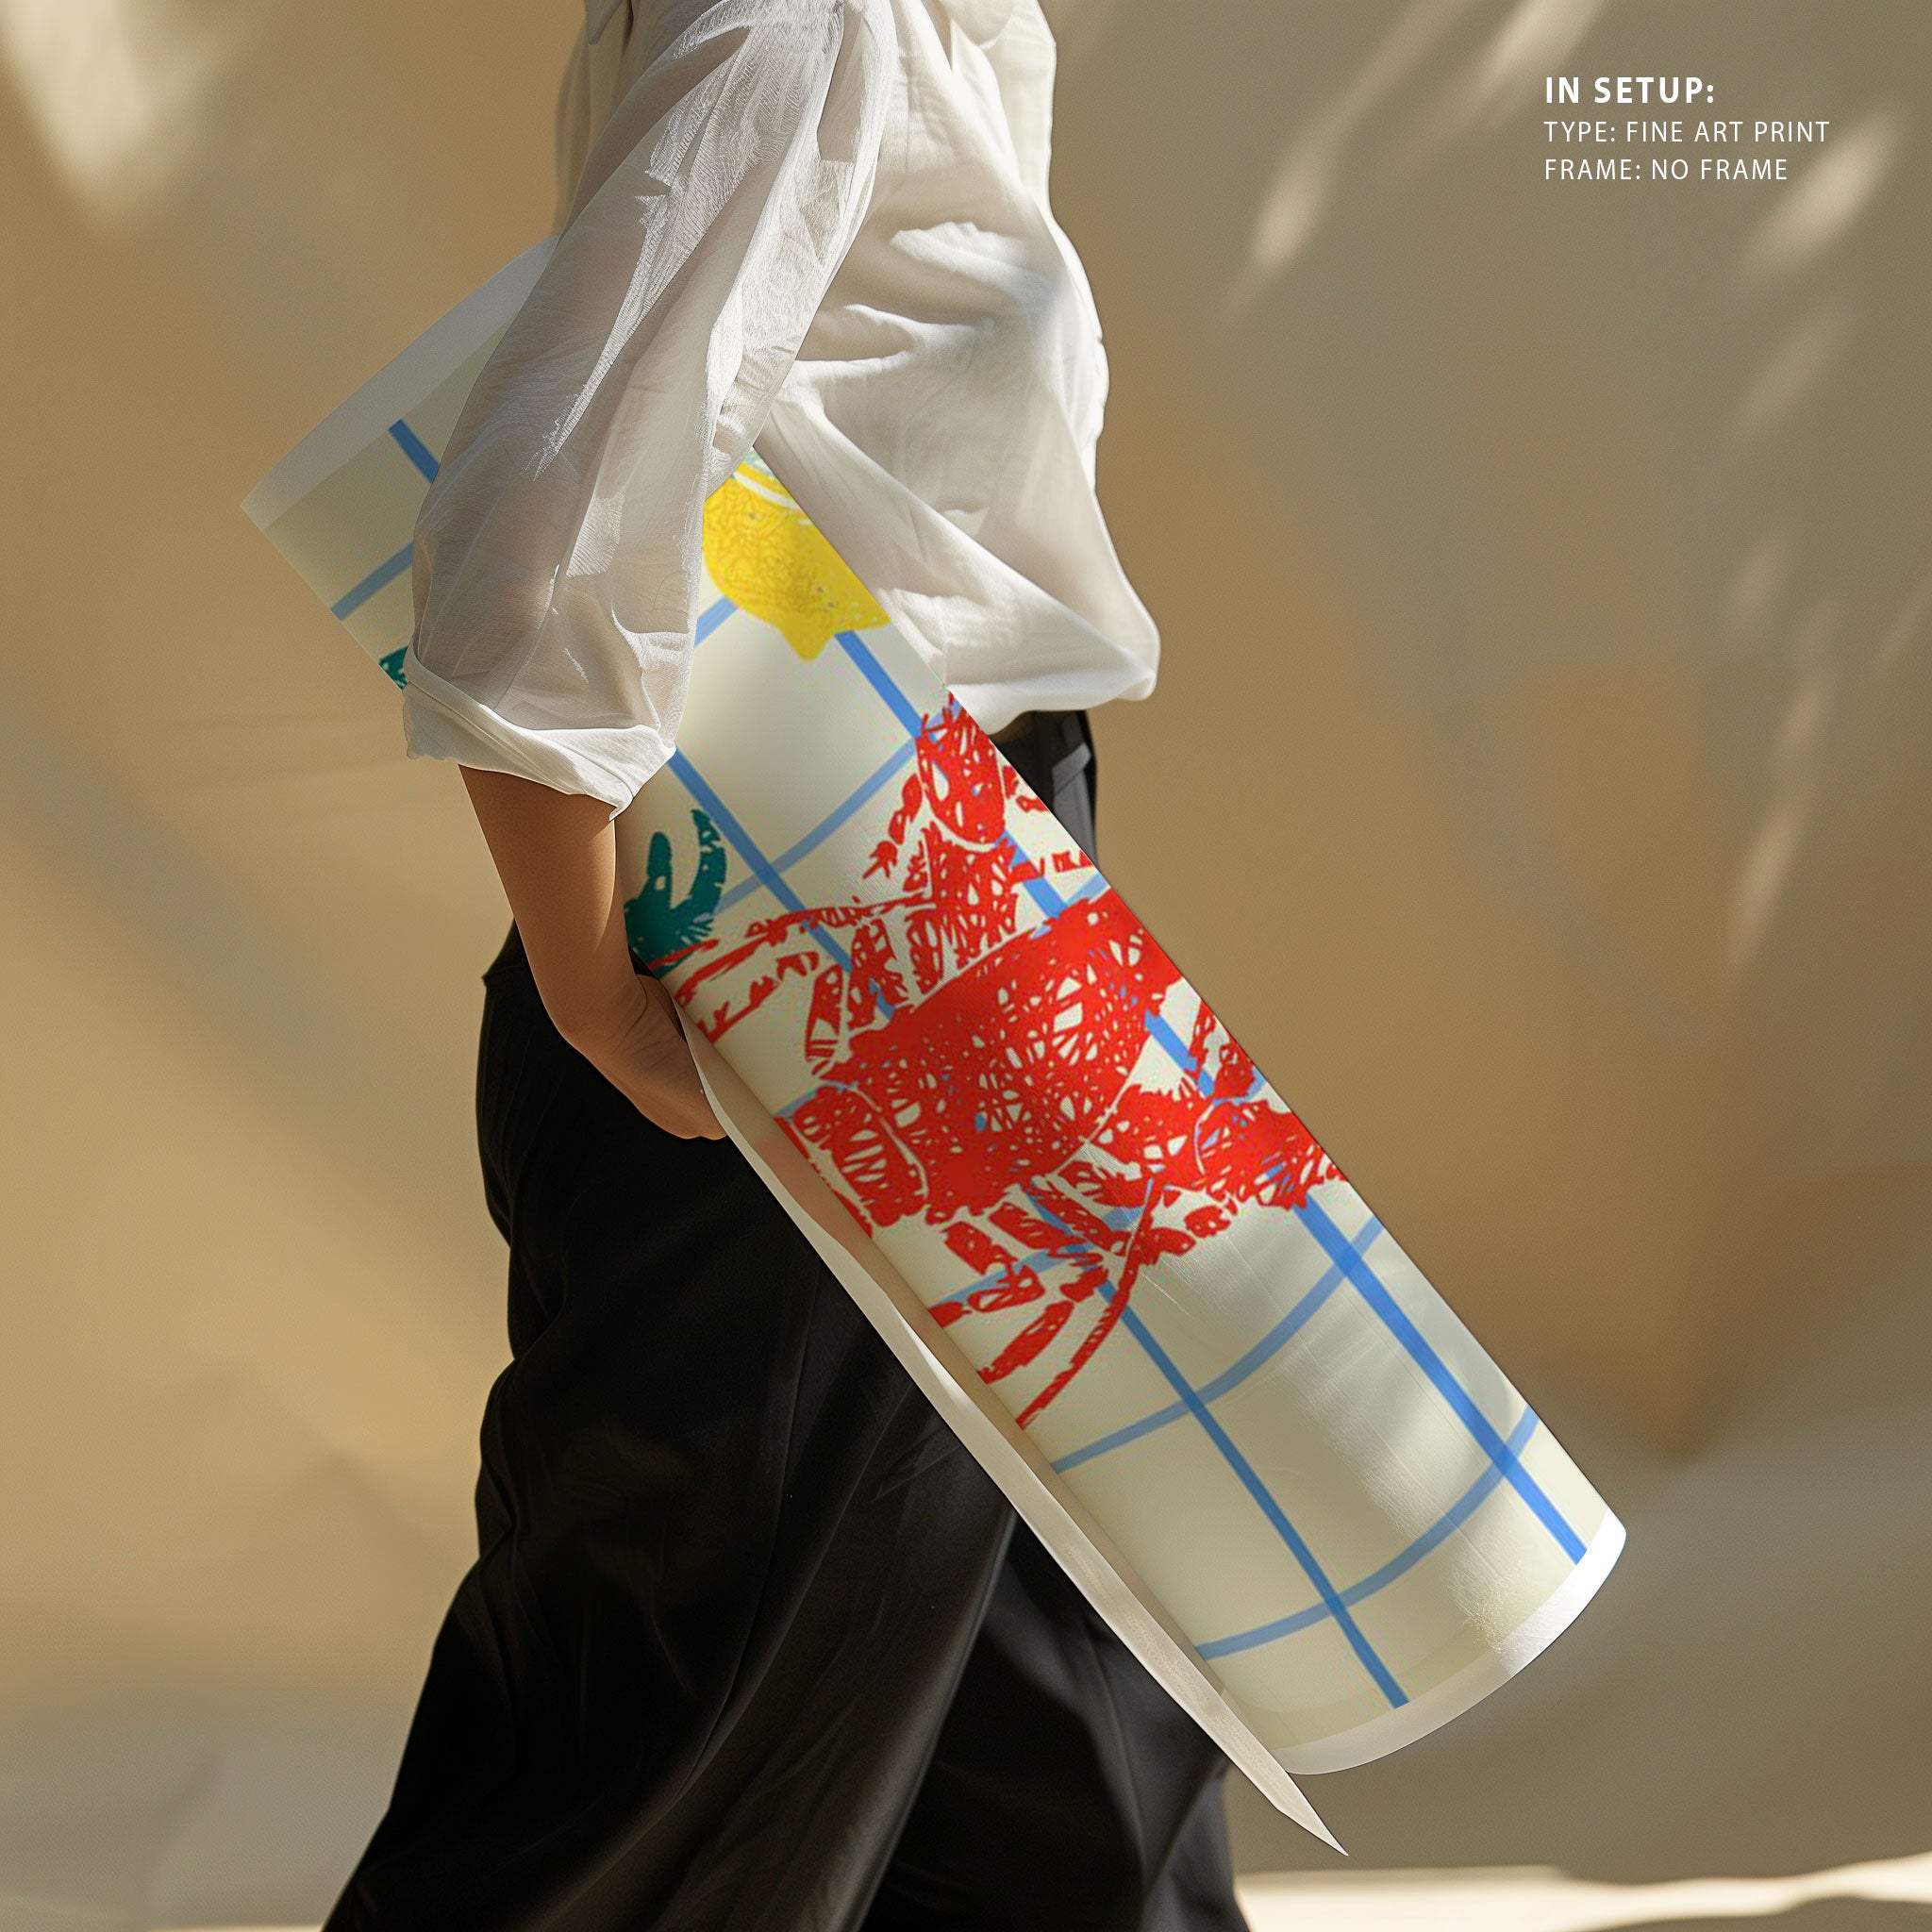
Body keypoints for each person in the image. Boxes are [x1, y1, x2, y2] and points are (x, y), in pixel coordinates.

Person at [323, 2, 1243, 1925]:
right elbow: (545, 508)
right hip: (813, 915)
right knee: (652, 1756)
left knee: (1073, 1726)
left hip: (971, 875)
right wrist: (595, 990)